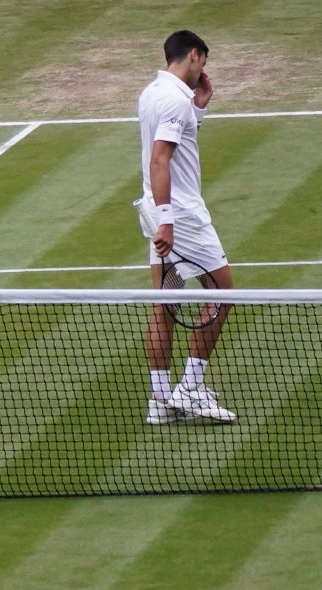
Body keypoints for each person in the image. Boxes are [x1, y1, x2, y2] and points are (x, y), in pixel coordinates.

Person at [136, 29, 236, 424]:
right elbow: (160, 160)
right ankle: (190, 388)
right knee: (226, 296)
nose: (203, 71)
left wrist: (200, 110)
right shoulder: (176, 101)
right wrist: (169, 222)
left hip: (155, 211)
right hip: (182, 218)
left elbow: (173, 147)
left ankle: (159, 402)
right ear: (194, 55)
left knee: (164, 305)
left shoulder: (151, 95)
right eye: (204, 62)